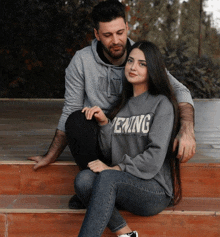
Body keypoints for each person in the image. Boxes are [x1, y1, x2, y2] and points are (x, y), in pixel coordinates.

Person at [28, 0, 196, 209]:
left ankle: (106, 190)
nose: (116, 40)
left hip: (133, 137)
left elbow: (180, 90)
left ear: (127, 28)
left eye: (120, 32)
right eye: (107, 35)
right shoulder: (81, 61)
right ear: (97, 35)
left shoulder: (141, 56)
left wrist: (187, 130)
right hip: (102, 137)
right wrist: (51, 155)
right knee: (77, 121)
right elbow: (70, 110)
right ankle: (96, 184)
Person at [51, 40, 181, 237]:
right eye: (131, 61)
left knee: (107, 177)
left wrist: (116, 168)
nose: (133, 67)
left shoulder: (162, 104)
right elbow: (112, 150)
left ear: (152, 69)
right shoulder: (122, 105)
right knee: (83, 180)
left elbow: (153, 158)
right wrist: (104, 123)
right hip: (126, 184)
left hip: (154, 189)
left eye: (142, 64)